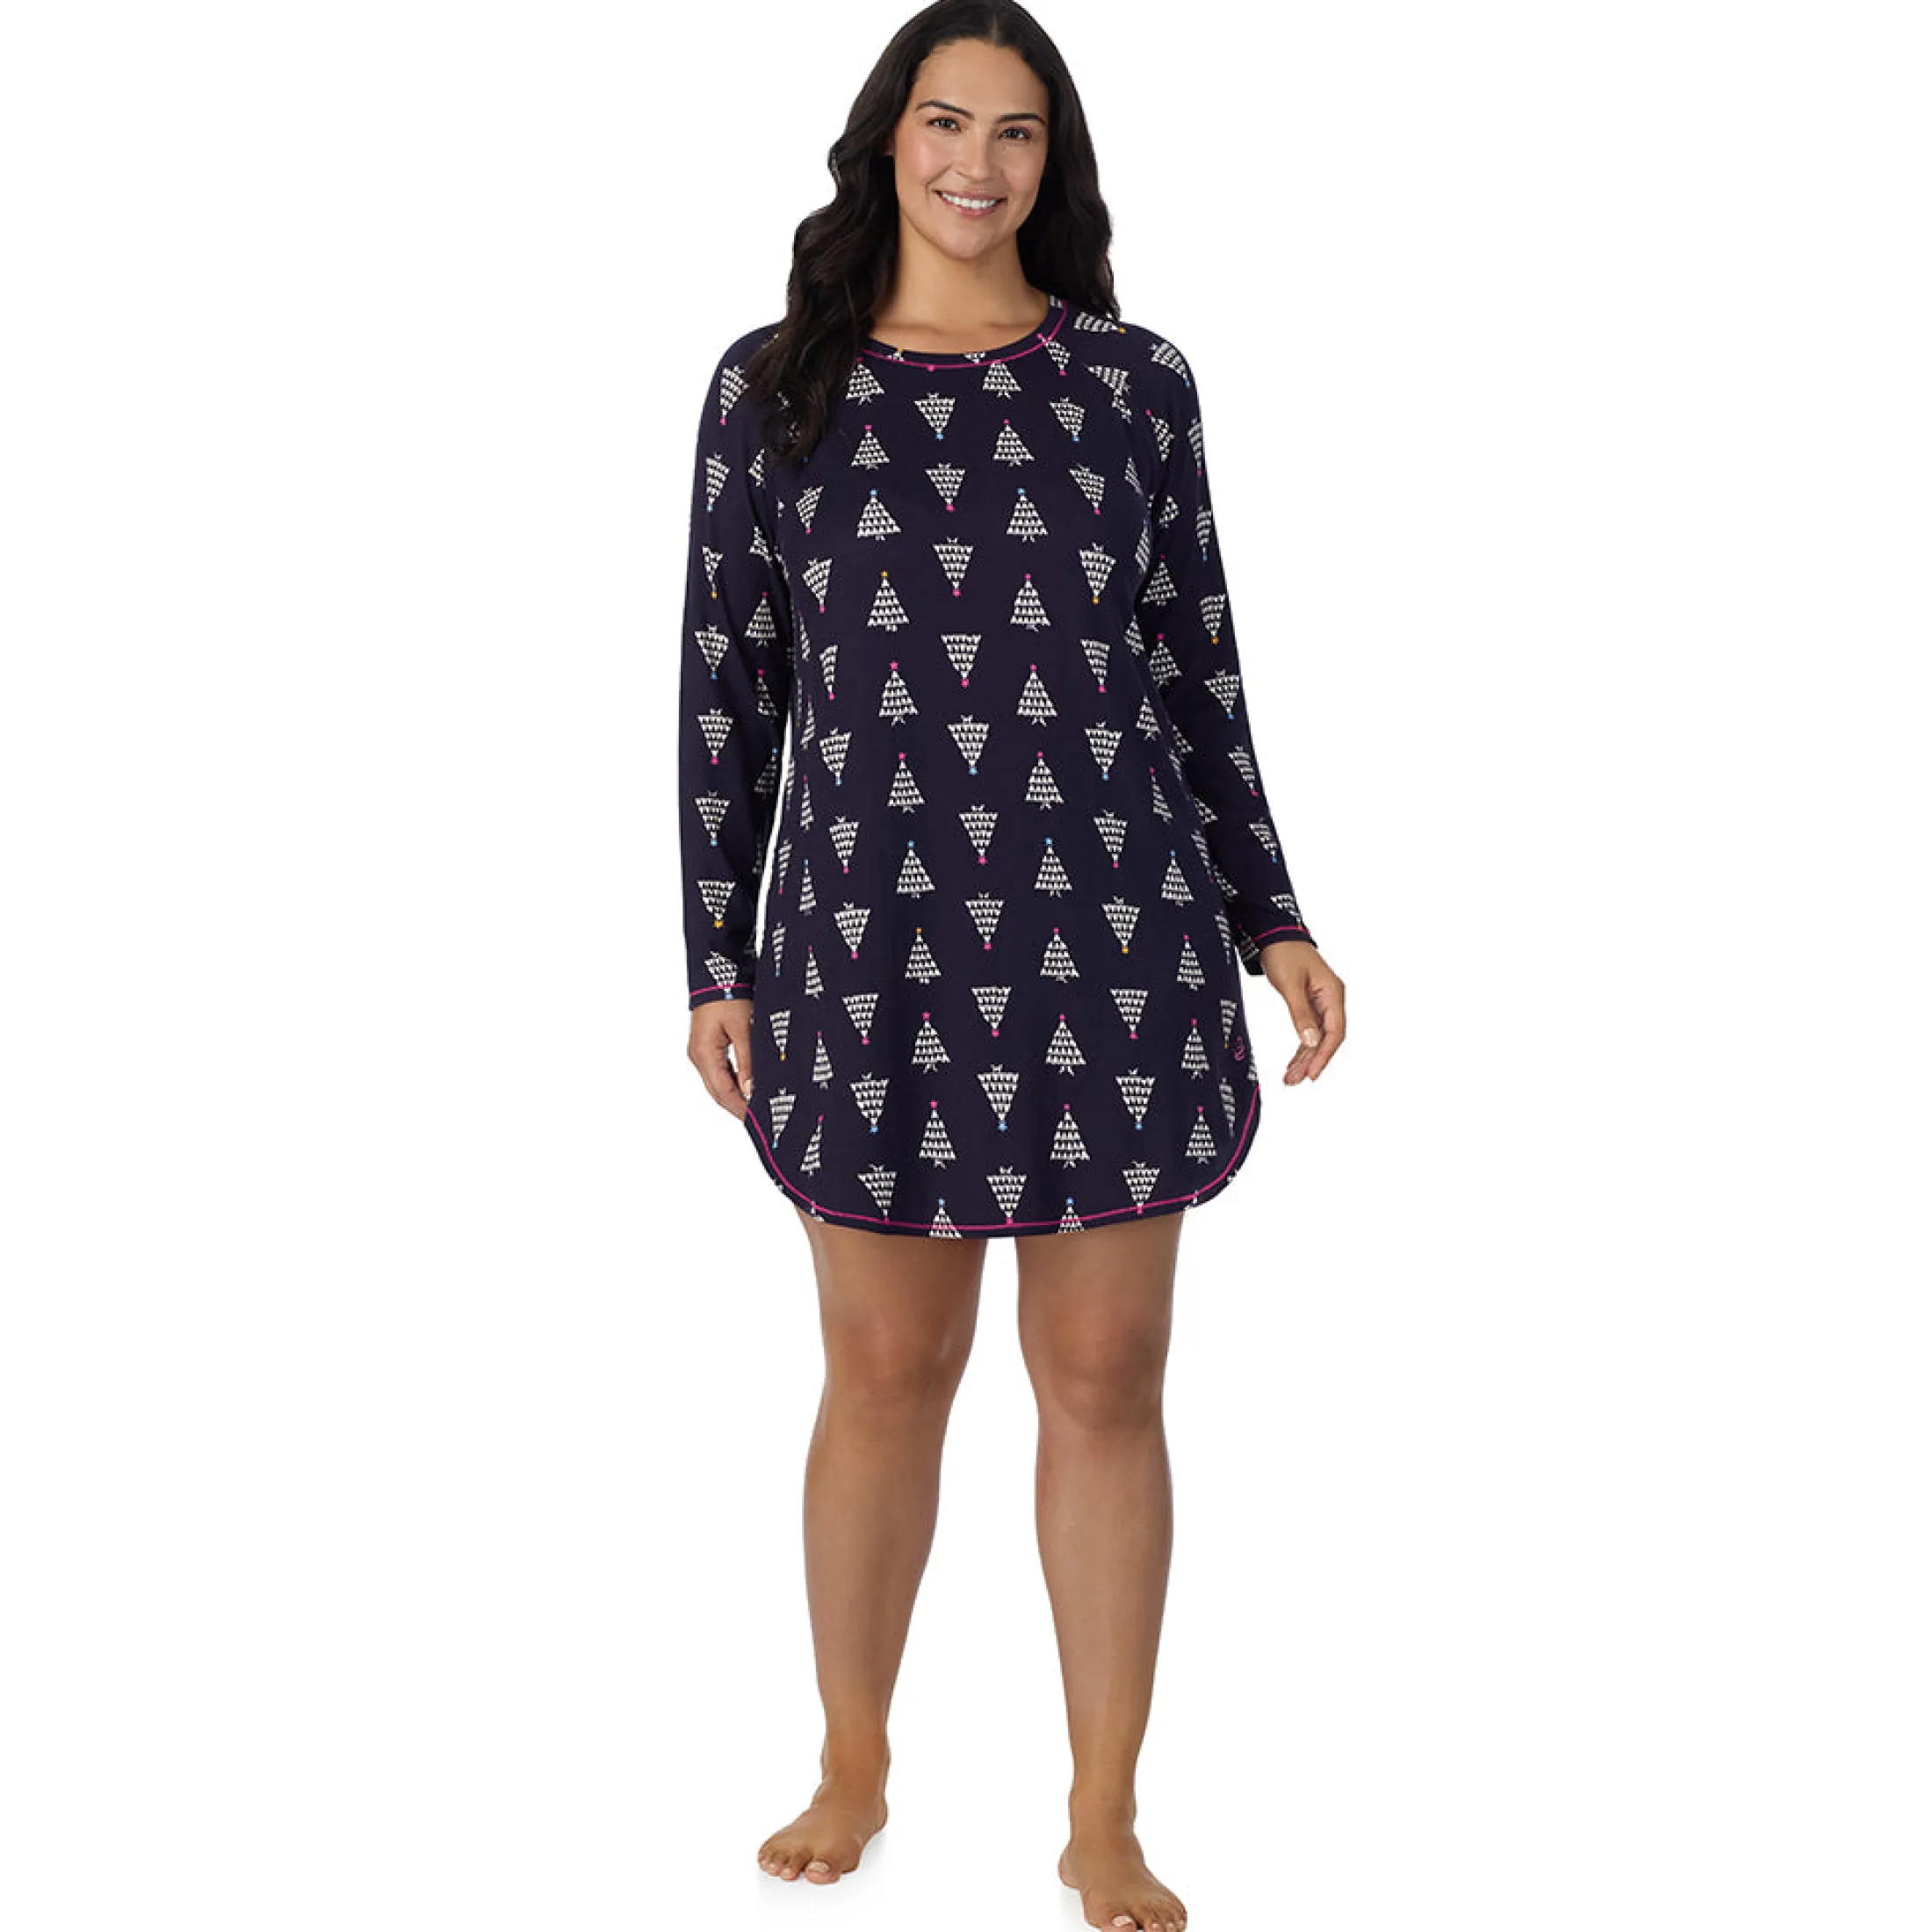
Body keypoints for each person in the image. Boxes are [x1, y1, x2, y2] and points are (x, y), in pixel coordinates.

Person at [675, 5, 1346, 1927]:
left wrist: (1272, 914)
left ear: (1055, 162)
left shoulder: (1133, 387)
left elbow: (1195, 669)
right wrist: (715, 953)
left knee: (1106, 1372)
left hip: (1111, 931)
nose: (977, 163)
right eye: (945, 122)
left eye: (1018, 132)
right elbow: (727, 690)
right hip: (867, 942)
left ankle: (1102, 1811)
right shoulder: (771, 391)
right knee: (887, 1366)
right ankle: (853, 1756)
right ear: (886, 141)